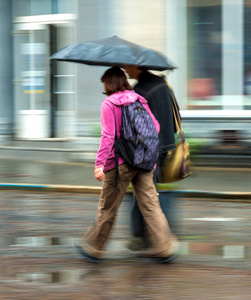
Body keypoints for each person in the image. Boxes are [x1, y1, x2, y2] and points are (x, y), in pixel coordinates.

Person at [74, 66, 178, 263]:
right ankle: (165, 248)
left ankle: (94, 248)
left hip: (120, 164)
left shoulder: (109, 104)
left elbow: (108, 136)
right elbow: (154, 127)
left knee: (108, 207)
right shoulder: (139, 99)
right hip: (144, 162)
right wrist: (149, 157)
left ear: (108, 83)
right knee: (151, 206)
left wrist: (100, 164)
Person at [124, 65, 179, 250]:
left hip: (149, 149)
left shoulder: (140, 90)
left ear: (137, 66)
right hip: (165, 145)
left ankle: (152, 239)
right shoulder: (162, 84)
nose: (125, 70)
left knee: (145, 193)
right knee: (146, 191)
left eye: (127, 67)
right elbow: (175, 113)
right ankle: (144, 236)